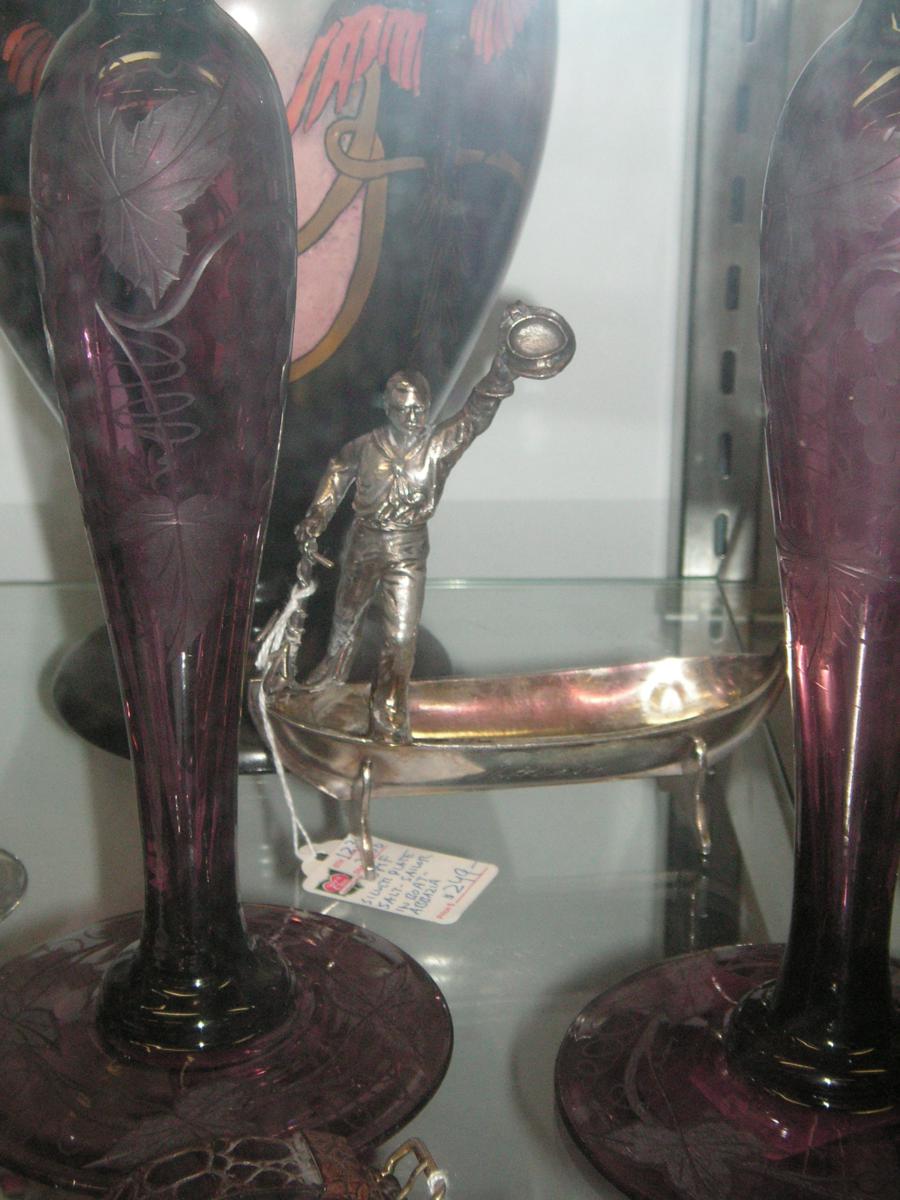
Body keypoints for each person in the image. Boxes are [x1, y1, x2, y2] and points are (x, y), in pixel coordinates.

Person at [295, 352, 516, 743]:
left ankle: (390, 710)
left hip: (408, 548)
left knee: (401, 637)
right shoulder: (365, 446)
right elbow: (337, 471)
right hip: (364, 542)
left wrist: (499, 375)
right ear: (389, 409)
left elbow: (474, 417)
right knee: (346, 620)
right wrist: (317, 516)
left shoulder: (437, 446)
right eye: (405, 410)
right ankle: (328, 682)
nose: (414, 418)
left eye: (420, 410)